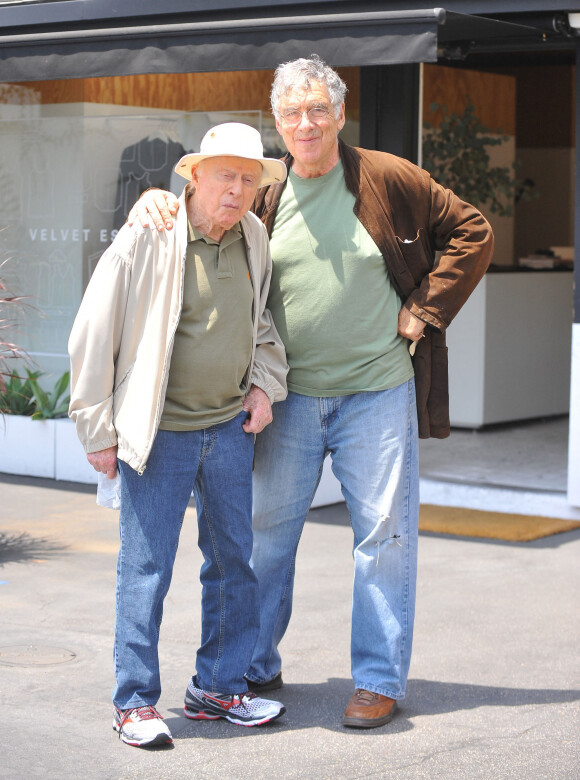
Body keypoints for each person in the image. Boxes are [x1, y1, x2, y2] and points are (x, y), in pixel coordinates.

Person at [130, 55, 494, 729]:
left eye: (318, 110)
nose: (306, 123)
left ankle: (378, 680)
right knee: (264, 539)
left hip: (376, 392)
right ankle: (253, 663)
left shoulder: (388, 177)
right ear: (278, 121)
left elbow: (473, 230)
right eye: (292, 112)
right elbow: (206, 214)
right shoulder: (265, 191)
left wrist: (426, 307)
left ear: (339, 114)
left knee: (383, 538)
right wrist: (156, 197)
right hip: (288, 398)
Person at [68, 122, 289, 747]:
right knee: (146, 569)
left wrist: (262, 386)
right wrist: (96, 428)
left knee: (232, 566)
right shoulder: (151, 231)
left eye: (249, 179)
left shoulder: (253, 237)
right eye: (226, 175)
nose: (238, 189)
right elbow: (94, 330)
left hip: (227, 429)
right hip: (157, 434)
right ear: (194, 176)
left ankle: (218, 688)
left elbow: (263, 324)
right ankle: (134, 702)